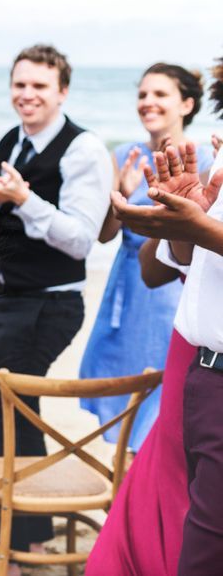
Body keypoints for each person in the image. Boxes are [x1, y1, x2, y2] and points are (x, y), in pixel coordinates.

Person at [0, 44, 113, 576]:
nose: (27, 95)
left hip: (50, 303)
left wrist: (26, 200)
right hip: (4, 299)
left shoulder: (84, 149)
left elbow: (81, 239)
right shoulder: (5, 141)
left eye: (39, 86)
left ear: (62, 92)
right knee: (17, 410)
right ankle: (25, 537)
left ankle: (12, 544)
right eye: (20, 84)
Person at [111, 58, 223, 574]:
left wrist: (199, 228)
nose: (148, 103)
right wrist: (184, 226)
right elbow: (162, 267)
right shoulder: (206, 161)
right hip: (199, 360)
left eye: (161, 94)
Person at [80, 64, 211, 451]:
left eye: (160, 94)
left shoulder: (203, 159)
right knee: (124, 399)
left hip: (171, 289)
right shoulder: (125, 154)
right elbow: (105, 235)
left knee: (162, 402)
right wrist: (120, 194)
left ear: (186, 104)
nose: (148, 102)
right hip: (126, 287)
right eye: (142, 95)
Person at [84, 235, 195, 575]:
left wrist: (196, 226)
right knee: (161, 475)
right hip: (185, 340)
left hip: (191, 339)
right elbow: (151, 270)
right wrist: (175, 224)